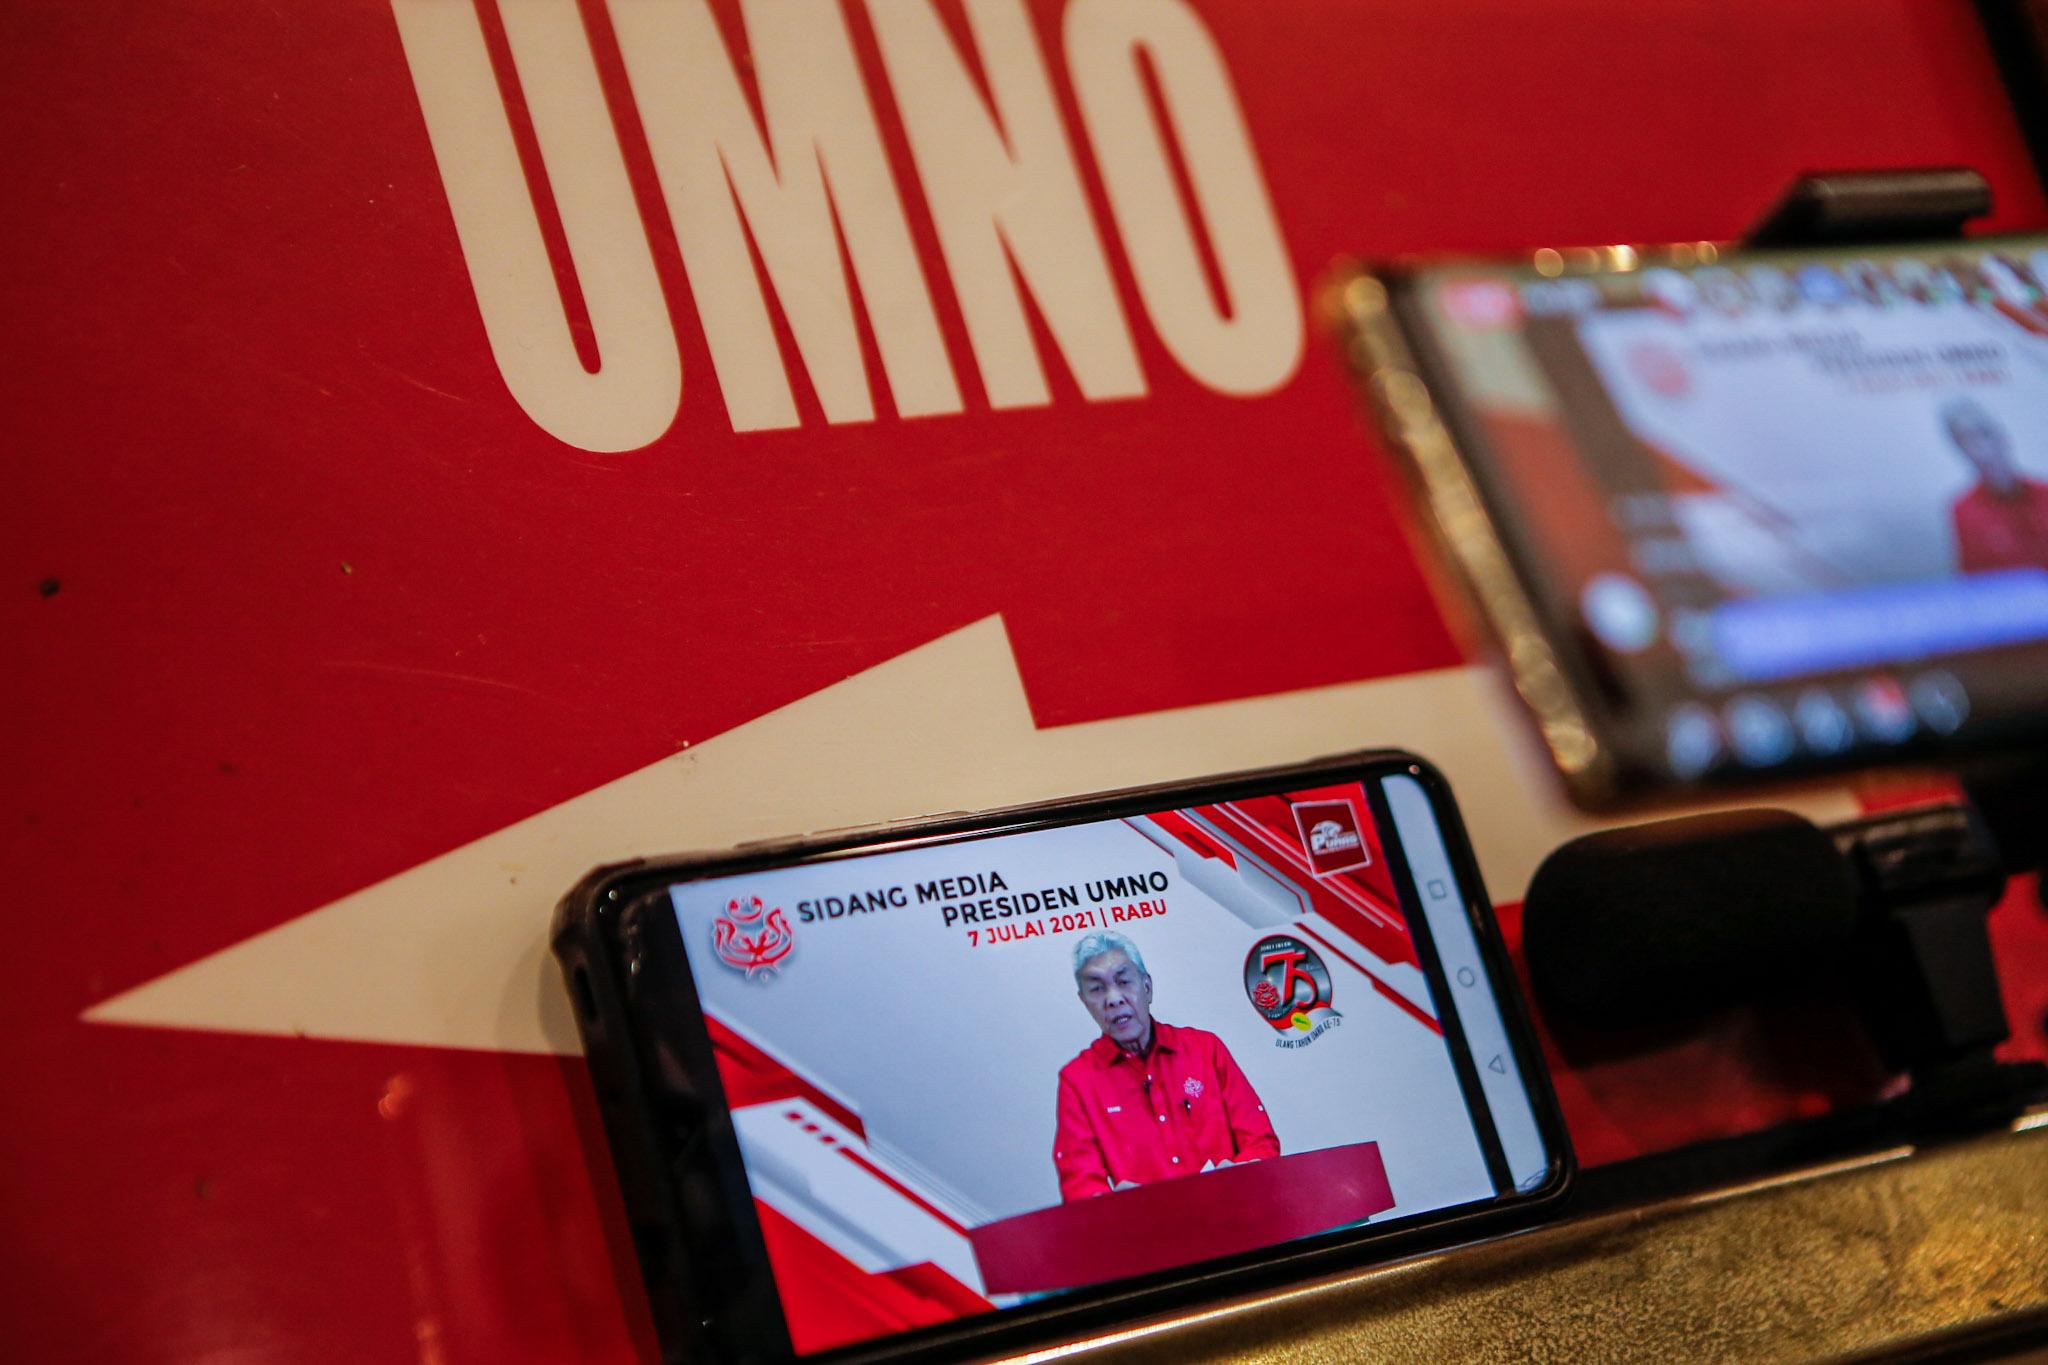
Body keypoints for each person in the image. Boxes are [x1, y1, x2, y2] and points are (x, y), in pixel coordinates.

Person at [1052, 932, 1279, 1201]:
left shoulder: (1205, 1049)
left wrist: (1240, 1173)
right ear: (1084, 1002)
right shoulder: (1078, 1081)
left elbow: (1261, 1143)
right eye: (1097, 988)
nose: (1113, 999)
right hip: (1145, 1234)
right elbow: (1080, 1188)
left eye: (1124, 982)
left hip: (1232, 1214)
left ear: (1147, 987)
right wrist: (1110, 1205)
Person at [1944, 398, 2048, 573]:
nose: (1981, 447)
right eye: (1966, 440)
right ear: (1961, 449)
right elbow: (1975, 580)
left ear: (2002, 436)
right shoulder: (1963, 509)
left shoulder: (2044, 494)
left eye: (1985, 433)